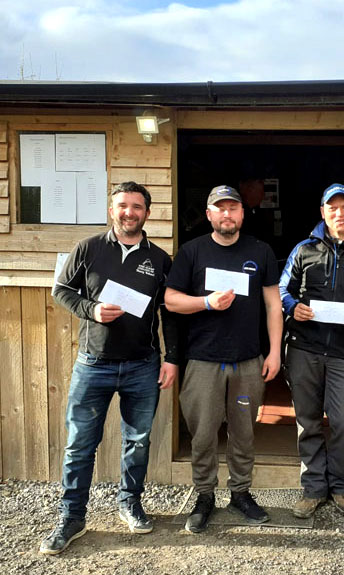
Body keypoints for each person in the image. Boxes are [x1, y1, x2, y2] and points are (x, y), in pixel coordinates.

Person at [40, 181, 179, 555]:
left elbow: (171, 313)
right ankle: (72, 517)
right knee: (79, 445)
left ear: (147, 213)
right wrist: (92, 310)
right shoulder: (88, 248)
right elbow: (61, 290)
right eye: (122, 205)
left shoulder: (161, 259)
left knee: (137, 442)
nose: (129, 212)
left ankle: (130, 503)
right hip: (93, 364)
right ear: (111, 209)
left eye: (137, 206)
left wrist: (172, 358)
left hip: (142, 365)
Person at [164, 185, 283, 532]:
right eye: (220, 209)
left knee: (244, 431)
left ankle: (241, 493)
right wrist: (206, 302)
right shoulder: (192, 252)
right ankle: (204, 495)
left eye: (233, 208)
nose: (227, 214)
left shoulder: (260, 252)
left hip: (247, 362)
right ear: (209, 215)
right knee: (202, 434)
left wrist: (275, 352)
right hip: (203, 361)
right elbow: (170, 300)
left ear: (242, 214)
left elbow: (274, 305)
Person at [279, 184, 344, 518]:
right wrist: (293, 307)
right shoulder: (304, 249)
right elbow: (282, 289)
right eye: (332, 208)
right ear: (322, 212)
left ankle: (339, 484)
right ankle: (313, 488)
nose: (339, 213)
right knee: (307, 421)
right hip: (304, 348)